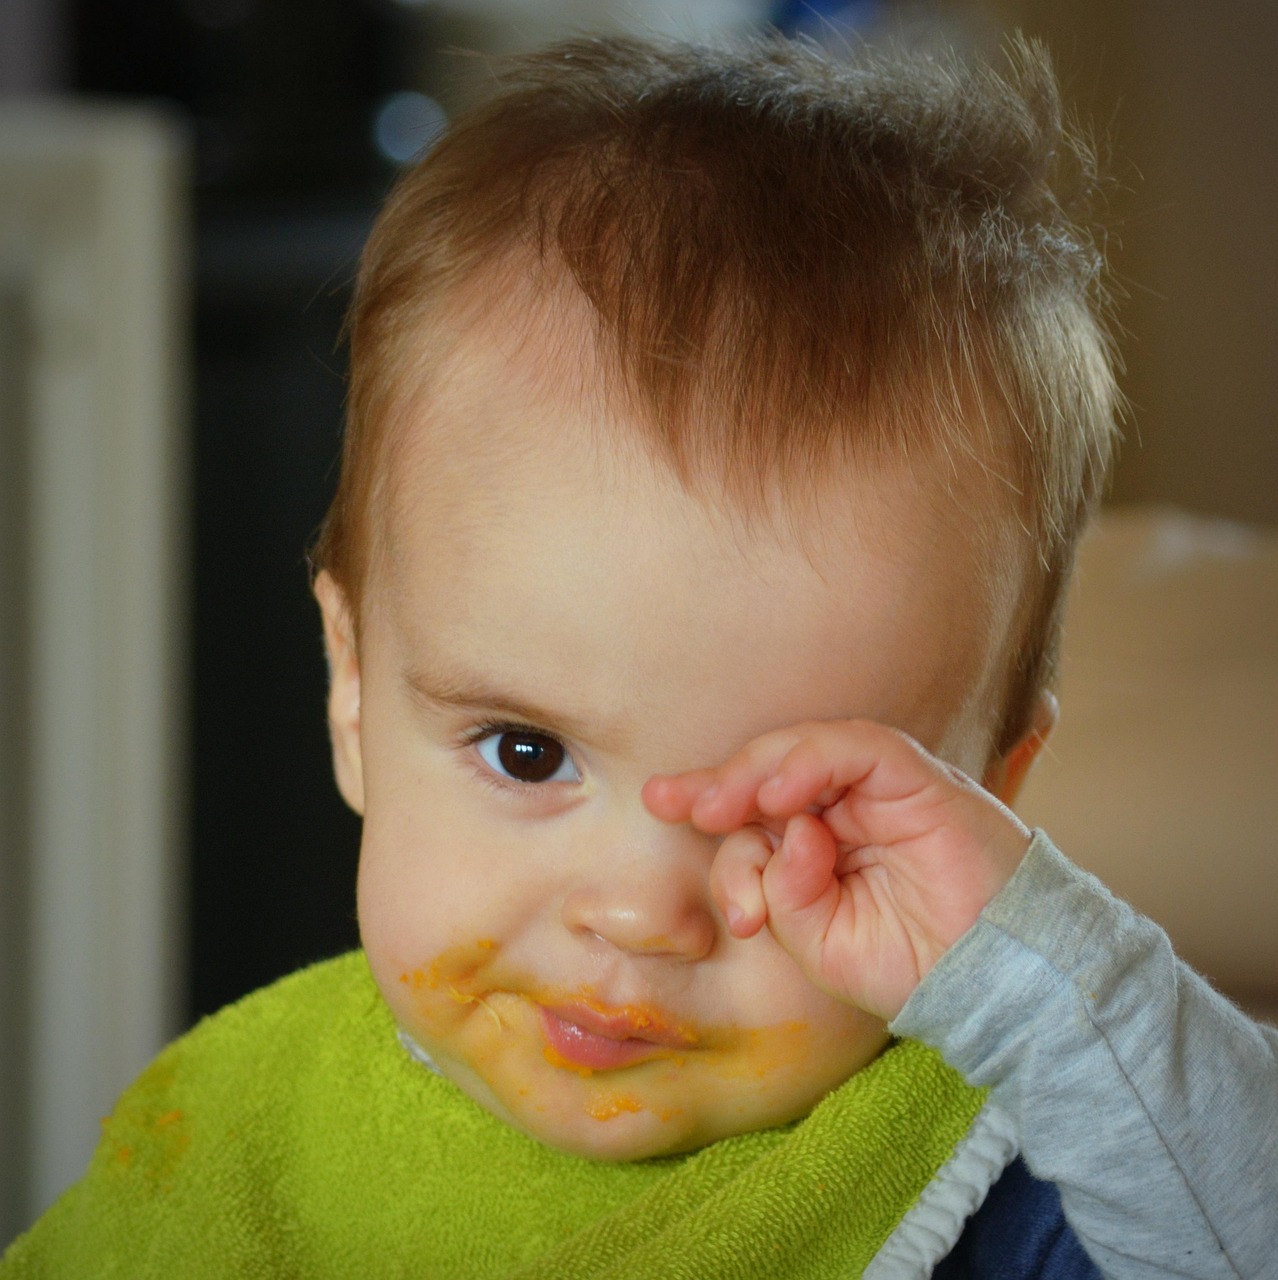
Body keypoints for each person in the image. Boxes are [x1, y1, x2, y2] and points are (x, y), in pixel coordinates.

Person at [4, 33, 1274, 1280]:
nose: (639, 912)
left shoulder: (1006, 1171)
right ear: (350, 692)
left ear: (990, 787)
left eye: (788, 813)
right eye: (526, 751)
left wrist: (1043, 977)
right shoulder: (242, 1135)